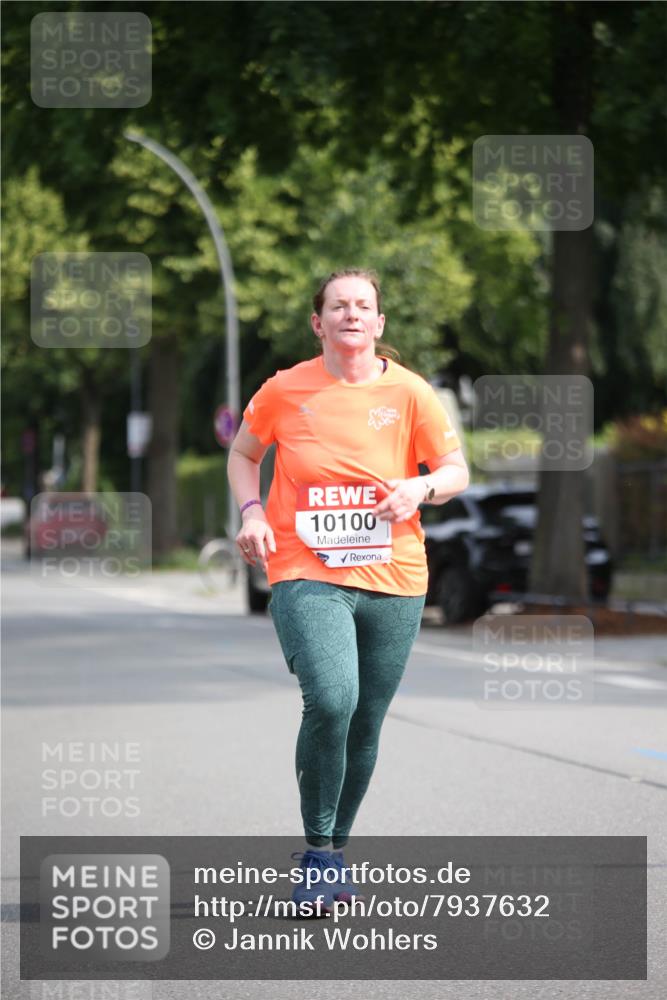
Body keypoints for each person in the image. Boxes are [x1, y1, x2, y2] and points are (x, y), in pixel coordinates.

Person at [227, 268, 469, 915]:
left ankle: (333, 853)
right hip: (307, 572)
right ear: (318, 322)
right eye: (338, 306)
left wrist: (418, 488)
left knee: (364, 723)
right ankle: (316, 857)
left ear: (379, 323)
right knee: (333, 700)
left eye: (363, 306)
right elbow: (242, 453)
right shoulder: (284, 390)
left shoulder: (411, 393)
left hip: (395, 576)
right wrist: (251, 511)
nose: (351, 315)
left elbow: (454, 470)